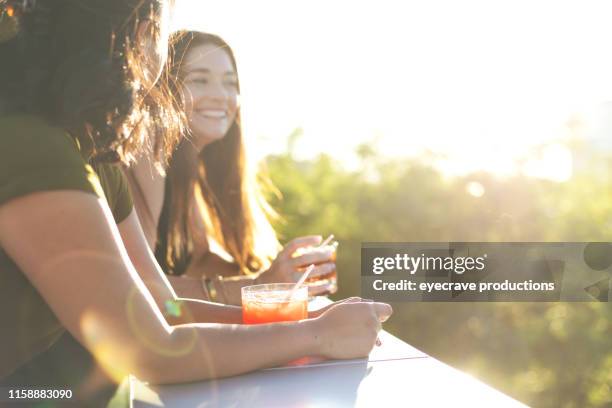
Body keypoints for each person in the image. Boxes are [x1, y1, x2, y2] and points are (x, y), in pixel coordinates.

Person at [0, 0, 392, 403]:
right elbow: (151, 349)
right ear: (139, 35)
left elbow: (163, 306)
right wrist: (316, 335)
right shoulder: (31, 147)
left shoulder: (96, 157)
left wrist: (310, 318)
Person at [127, 31, 338, 305]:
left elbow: (197, 264)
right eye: (199, 80)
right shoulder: (148, 150)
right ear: (164, 88)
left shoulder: (191, 167)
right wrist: (259, 286)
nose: (220, 96)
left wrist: (281, 275)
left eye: (230, 83)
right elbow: (136, 285)